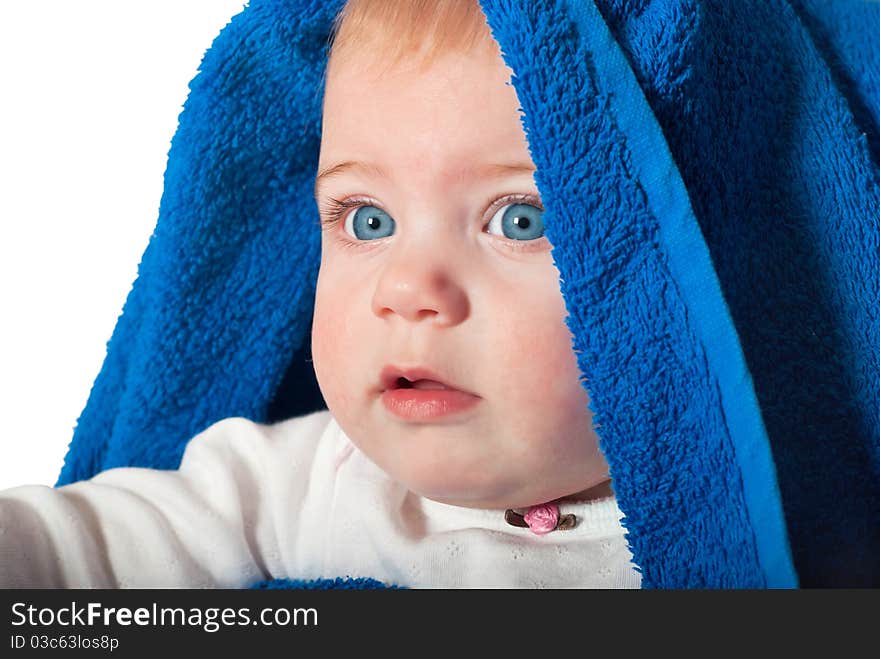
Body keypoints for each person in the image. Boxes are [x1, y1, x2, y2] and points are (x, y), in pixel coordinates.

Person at [0, 0, 641, 589]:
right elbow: (76, 548)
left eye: (520, 219)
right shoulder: (306, 485)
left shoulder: (732, 512)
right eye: (369, 220)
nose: (408, 290)